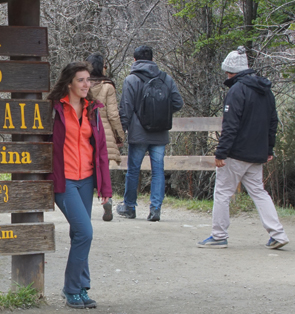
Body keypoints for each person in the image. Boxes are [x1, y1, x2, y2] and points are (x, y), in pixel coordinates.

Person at [197, 47, 289, 249]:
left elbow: (230, 125)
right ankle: (278, 234)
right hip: (257, 152)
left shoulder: (236, 91)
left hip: (237, 153)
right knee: (259, 192)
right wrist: (269, 148)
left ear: (230, 71)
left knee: (222, 192)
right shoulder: (265, 91)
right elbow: (273, 121)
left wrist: (221, 152)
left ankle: (219, 235)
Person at [47, 61, 112, 309]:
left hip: (86, 180)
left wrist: (105, 187)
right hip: (63, 181)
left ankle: (82, 287)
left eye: (88, 80)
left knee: (79, 234)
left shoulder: (92, 109)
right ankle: (71, 288)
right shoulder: (54, 109)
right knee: (85, 232)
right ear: (69, 83)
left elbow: (102, 151)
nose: (87, 84)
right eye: (82, 80)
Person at [117, 45, 183, 221]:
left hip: (138, 133)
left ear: (134, 60)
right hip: (160, 133)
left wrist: (122, 130)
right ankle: (155, 209)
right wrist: (161, 114)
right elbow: (178, 103)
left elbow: (126, 108)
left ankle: (129, 207)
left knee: (133, 170)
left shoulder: (131, 79)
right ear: (153, 60)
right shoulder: (165, 78)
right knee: (158, 171)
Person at [86, 53, 125, 222]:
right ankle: (106, 200)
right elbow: (113, 115)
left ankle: (84, 206)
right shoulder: (108, 87)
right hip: (104, 131)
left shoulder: (83, 85)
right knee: (103, 169)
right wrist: (119, 136)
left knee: (87, 171)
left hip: (86, 130)